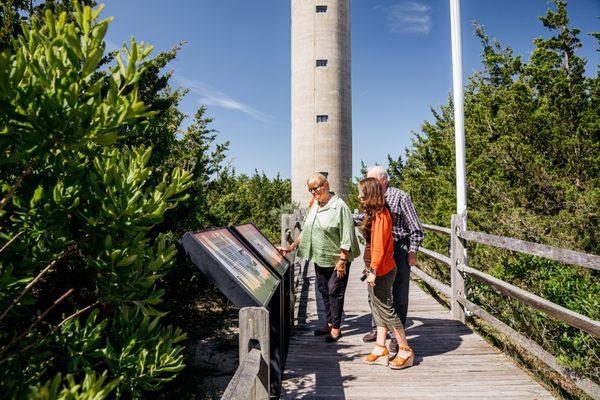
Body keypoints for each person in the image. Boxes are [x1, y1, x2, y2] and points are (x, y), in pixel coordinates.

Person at [278, 173, 360, 342]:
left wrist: (343, 260)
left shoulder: (339, 206)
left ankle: (336, 329)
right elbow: (307, 229)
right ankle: (329, 323)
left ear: (325, 186)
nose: (312, 192)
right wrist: (291, 247)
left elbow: (347, 234)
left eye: (314, 188)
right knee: (323, 291)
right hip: (320, 256)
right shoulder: (315, 205)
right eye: (309, 189)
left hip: (338, 259)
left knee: (335, 291)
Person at [356, 166, 423, 352]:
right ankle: (379, 331)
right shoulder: (372, 201)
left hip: (398, 248)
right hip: (380, 252)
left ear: (383, 180)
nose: (368, 183)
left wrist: (412, 251)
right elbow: (362, 219)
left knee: (398, 292)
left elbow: (416, 228)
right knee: (376, 295)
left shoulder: (400, 197)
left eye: (371, 180)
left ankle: (396, 337)